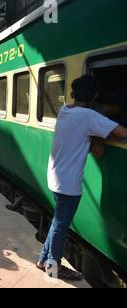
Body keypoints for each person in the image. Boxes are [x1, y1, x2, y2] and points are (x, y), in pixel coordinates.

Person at [37, 75, 127, 280]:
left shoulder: (64, 111)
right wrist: (98, 135)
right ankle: (54, 267)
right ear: (94, 96)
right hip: (68, 183)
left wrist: (95, 136)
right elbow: (122, 132)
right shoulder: (89, 117)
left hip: (55, 176)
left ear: (71, 94)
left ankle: (43, 260)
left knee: (57, 222)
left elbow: (85, 126)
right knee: (61, 224)